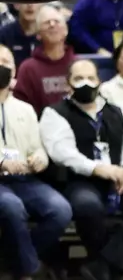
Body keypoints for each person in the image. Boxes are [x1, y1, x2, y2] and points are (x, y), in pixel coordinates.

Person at [40, 58, 123, 280]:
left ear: (99, 81)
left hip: (118, 178)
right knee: (88, 207)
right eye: (78, 78)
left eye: (91, 78)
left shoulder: (115, 111)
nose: (85, 83)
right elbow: (62, 152)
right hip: (80, 180)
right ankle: (110, 269)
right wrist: (99, 169)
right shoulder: (55, 113)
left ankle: (103, 265)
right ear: (68, 84)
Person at [0, 43, 72, 280]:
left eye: (6, 62)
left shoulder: (25, 109)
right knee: (12, 207)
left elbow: (37, 147)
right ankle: (29, 272)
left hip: (25, 179)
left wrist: (40, 158)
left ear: (14, 71)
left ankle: (13, 261)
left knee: (61, 210)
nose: (1, 66)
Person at [12, 5, 75, 112]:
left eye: (57, 21)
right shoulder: (28, 69)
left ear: (66, 30)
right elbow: (22, 109)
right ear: (38, 34)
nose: (52, 25)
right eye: (46, 22)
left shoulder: (78, 64)